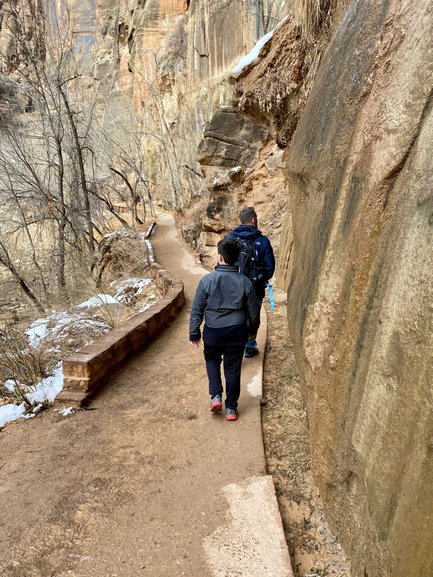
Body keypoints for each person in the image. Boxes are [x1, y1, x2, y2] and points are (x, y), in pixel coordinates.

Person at [189, 238, 260, 421]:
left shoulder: (207, 280)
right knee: (233, 369)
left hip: (213, 331)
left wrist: (194, 332)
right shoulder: (245, 282)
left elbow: (197, 308)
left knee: (212, 359)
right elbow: (254, 311)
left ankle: (216, 396)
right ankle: (231, 409)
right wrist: (252, 330)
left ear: (219, 257)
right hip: (237, 332)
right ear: (237, 259)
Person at [226, 207, 275, 357]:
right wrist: (262, 278)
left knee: (235, 314)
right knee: (253, 316)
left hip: (233, 286)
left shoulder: (230, 239)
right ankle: (250, 346)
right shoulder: (262, 240)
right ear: (253, 219)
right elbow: (269, 266)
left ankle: (234, 346)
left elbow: (223, 261)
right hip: (255, 288)